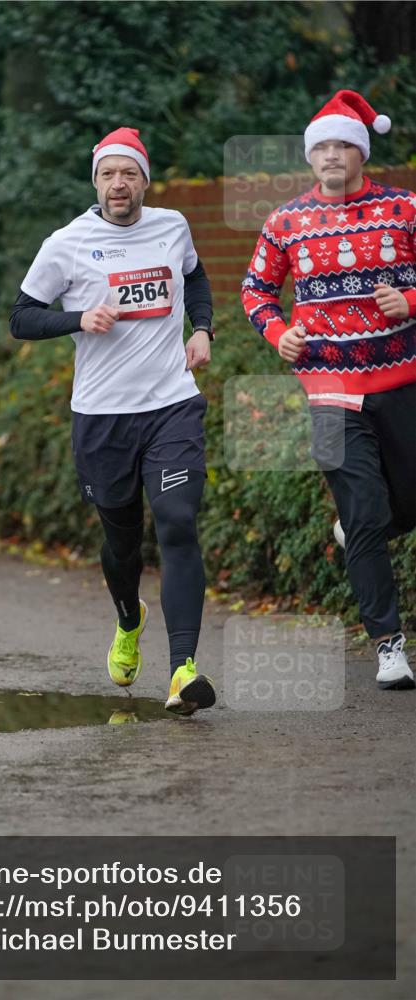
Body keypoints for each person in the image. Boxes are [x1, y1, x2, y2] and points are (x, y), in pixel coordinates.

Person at [10, 127, 216, 715]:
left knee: (177, 523)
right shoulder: (67, 242)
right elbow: (21, 317)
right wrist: (77, 319)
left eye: (128, 173)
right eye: (107, 174)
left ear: (144, 180)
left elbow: (195, 276)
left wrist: (202, 328)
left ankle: (182, 671)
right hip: (102, 418)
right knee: (122, 544)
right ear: (95, 183)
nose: (117, 184)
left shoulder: (172, 226)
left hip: (171, 405)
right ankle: (129, 618)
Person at [241, 90, 416, 691]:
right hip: (330, 391)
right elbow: (255, 290)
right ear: (310, 157)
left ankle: (358, 527)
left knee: (399, 506)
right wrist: (279, 333)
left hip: (403, 380)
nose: (333, 155)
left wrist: (410, 300)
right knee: (365, 513)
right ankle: (389, 646)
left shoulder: (404, 209)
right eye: (323, 147)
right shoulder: (285, 222)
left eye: (344, 145)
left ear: (362, 152)